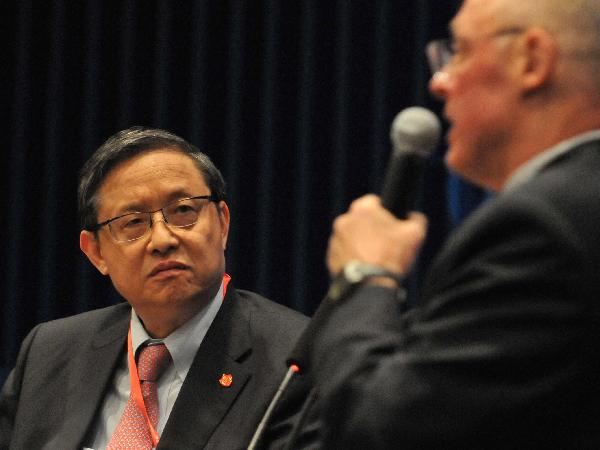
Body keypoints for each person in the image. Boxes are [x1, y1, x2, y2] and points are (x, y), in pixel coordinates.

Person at [301, 0, 600, 448]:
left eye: (458, 50)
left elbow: (382, 433)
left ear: (531, 59)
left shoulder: (540, 227)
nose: (438, 82)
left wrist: (365, 276)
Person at [0, 127, 309, 449]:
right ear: (96, 252)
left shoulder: (296, 360)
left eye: (183, 211)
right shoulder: (49, 353)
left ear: (222, 223)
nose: (162, 239)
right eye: (133, 222)